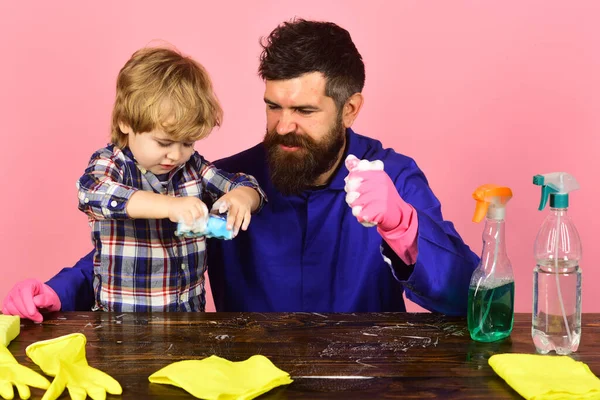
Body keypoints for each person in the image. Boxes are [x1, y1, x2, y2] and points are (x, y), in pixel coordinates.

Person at [2, 19, 479, 321]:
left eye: (306, 112)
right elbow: (136, 252)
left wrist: (403, 227)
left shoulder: (391, 176)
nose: (284, 126)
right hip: (250, 382)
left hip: (368, 385)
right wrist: (56, 291)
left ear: (350, 108)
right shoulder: (224, 181)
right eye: (273, 106)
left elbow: (473, 298)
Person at [2, 47, 266, 320]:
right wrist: (169, 206)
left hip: (187, 323)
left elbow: (240, 182)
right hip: (120, 326)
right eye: (163, 143)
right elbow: (93, 192)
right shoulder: (112, 164)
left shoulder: (192, 167)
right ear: (125, 122)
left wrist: (244, 197)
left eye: (187, 143)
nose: (176, 155)